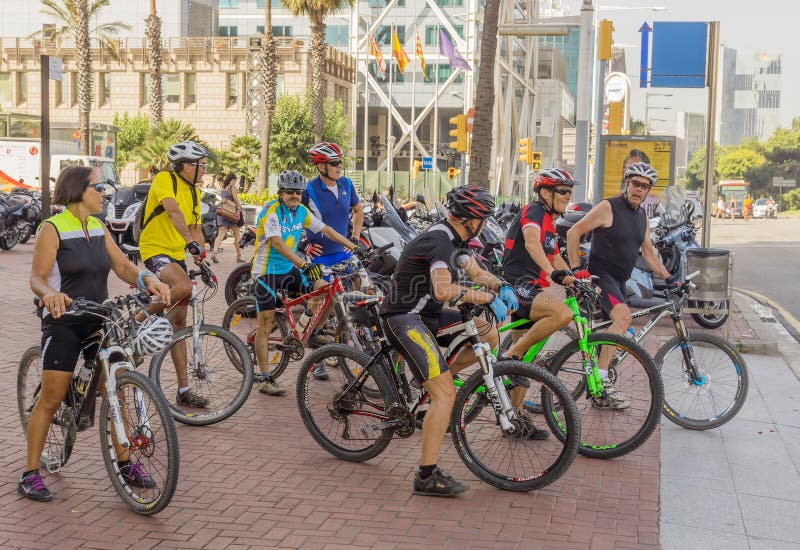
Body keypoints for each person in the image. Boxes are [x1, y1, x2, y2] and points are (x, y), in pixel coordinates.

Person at [21, 165, 171, 502]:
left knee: (114, 386)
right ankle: (30, 471)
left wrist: (148, 279)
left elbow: (122, 266)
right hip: (64, 320)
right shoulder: (52, 228)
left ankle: (125, 463)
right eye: (98, 187)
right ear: (78, 190)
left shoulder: (98, 227)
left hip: (98, 319)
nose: (103, 193)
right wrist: (50, 295)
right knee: (51, 398)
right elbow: (37, 277)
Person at [381, 185, 517, 497]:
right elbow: (443, 291)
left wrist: (502, 286)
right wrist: (485, 296)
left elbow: (477, 271)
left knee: (489, 333)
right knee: (445, 397)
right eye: (483, 219)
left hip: (428, 315)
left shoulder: (456, 240)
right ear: (471, 220)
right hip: (403, 317)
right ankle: (426, 477)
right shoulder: (440, 241)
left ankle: (435, 379)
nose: (484, 224)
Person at [566, 162, 673, 409]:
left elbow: (648, 252)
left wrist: (669, 279)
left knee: (612, 332)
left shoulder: (641, 216)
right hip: (600, 278)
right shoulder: (608, 207)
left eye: (644, 186)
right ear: (627, 183)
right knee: (624, 319)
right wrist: (576, 270)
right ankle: (601, 382)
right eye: (635, 183)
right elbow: (574, 232)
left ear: (648, 190)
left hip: (619, 281)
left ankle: (598, 388)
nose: (638, 189)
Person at [251, 170, 358, 396]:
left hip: (289, 268)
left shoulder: (301, 211)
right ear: (281, 193)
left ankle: (309, 328)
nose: (295, 196)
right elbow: (278, 244)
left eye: (298, 192)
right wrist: (304, 265)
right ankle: (264, 377)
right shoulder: (271, 212)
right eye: (289, 192)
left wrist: (354, 246)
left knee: (324, 287)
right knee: (265, 323)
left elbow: (326, 230)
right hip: (266, 272)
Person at [500, 168, 582, 434]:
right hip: (518, 285)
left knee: (527, 357)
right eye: (562, 190)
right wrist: (553, 274)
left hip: (530, 286)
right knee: (561, 315)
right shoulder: (534, 212)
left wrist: (573, 279)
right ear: (545, 192)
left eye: (570, 191)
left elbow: (555, 256)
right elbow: (533, 244)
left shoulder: (550, 220)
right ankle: (510, 357)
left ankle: (514, 416)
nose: (568, 196)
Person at [138, 140, 210, 408]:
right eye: (200, 164)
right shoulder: (164, 179)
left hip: (177, 253)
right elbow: (173, 210)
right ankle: (139, 320)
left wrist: (201, 256)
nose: (204, 169)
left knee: (178, 322)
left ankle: (184, 389)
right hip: (154, 248)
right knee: (183, 286)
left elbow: (196, 227)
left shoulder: (195, 192)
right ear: (187, 165)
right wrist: (189, 240)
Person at [302, 142, 364, 378]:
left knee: (358, 286)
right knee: (319, 298)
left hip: (343, 252)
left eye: (341, 162)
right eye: (334, 163)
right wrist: (304, 243)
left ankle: (343, 341)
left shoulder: (347, 184)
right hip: (318, 258)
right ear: (320, 166)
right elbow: (294, 217)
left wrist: (355, 238)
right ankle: (314, 358)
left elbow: (358, 211)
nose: (340, 167)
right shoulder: (309, 190)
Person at [211, 172, 244, 264]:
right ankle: (239, 256)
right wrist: (239, 208)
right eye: (235, 180)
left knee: (221, 234)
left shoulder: (223, 188)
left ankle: (214, 252)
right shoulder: (232, 187)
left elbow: (224, 199)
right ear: (232, 180)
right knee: (237, 235)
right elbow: (235, 199)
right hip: (231, 213)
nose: (235, 182)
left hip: (222, 212)